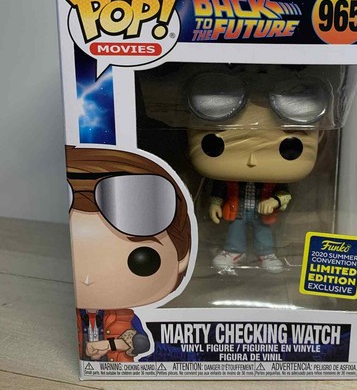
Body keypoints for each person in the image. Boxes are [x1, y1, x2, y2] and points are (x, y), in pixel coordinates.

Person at [186, 72, 323, 274]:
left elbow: (284, 193)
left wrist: (274, 201)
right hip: (237, 209)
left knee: (263, 233)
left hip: (262, 211)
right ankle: (234, 252)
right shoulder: (230, 177)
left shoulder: (274, 179)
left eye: (288, 148)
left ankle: (266, 254)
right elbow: (219, 187)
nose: (252, 161)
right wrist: (215, 203)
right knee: (235, 231)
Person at [66, 146, 191, 361]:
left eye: (140, 260)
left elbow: (140, 342)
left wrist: (109, 344)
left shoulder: (124, 315)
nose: (87, 279)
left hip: (118, 367)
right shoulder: (71, 315)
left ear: (182, 256)